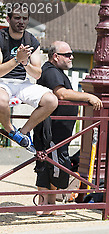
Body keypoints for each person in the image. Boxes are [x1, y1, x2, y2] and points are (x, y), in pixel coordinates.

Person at [34, 41, 102, 216]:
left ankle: (49, 204)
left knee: (54, 163)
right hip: (51, 129)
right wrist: (88, 96)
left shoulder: (56, 71)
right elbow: (61, 93)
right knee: (50, 163)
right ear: (56, 56)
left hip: (58, 132)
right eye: (67, 54)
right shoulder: (50, 71)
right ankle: (45, 204)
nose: (71, 57)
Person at [0, 9, 58, 152]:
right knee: (1, 100)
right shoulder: (1, 37)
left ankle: (23, 133)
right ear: (8, 19)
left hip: (23, 83)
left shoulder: (31, 40)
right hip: (2, 82)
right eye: (17, 18)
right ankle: (11, 131)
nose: (21, 21)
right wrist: (16, 60)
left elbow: (37, 74)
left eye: (25, 18)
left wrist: (25, 63)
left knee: (51, 100)